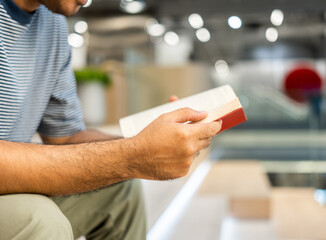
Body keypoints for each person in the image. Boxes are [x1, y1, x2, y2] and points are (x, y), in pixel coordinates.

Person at [0, 0, 222, 239]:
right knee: (39, 221)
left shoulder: (53, 25)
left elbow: (65, 137)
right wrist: (133, 154)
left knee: (120, 187)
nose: (86, 1)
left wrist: (147, 141)